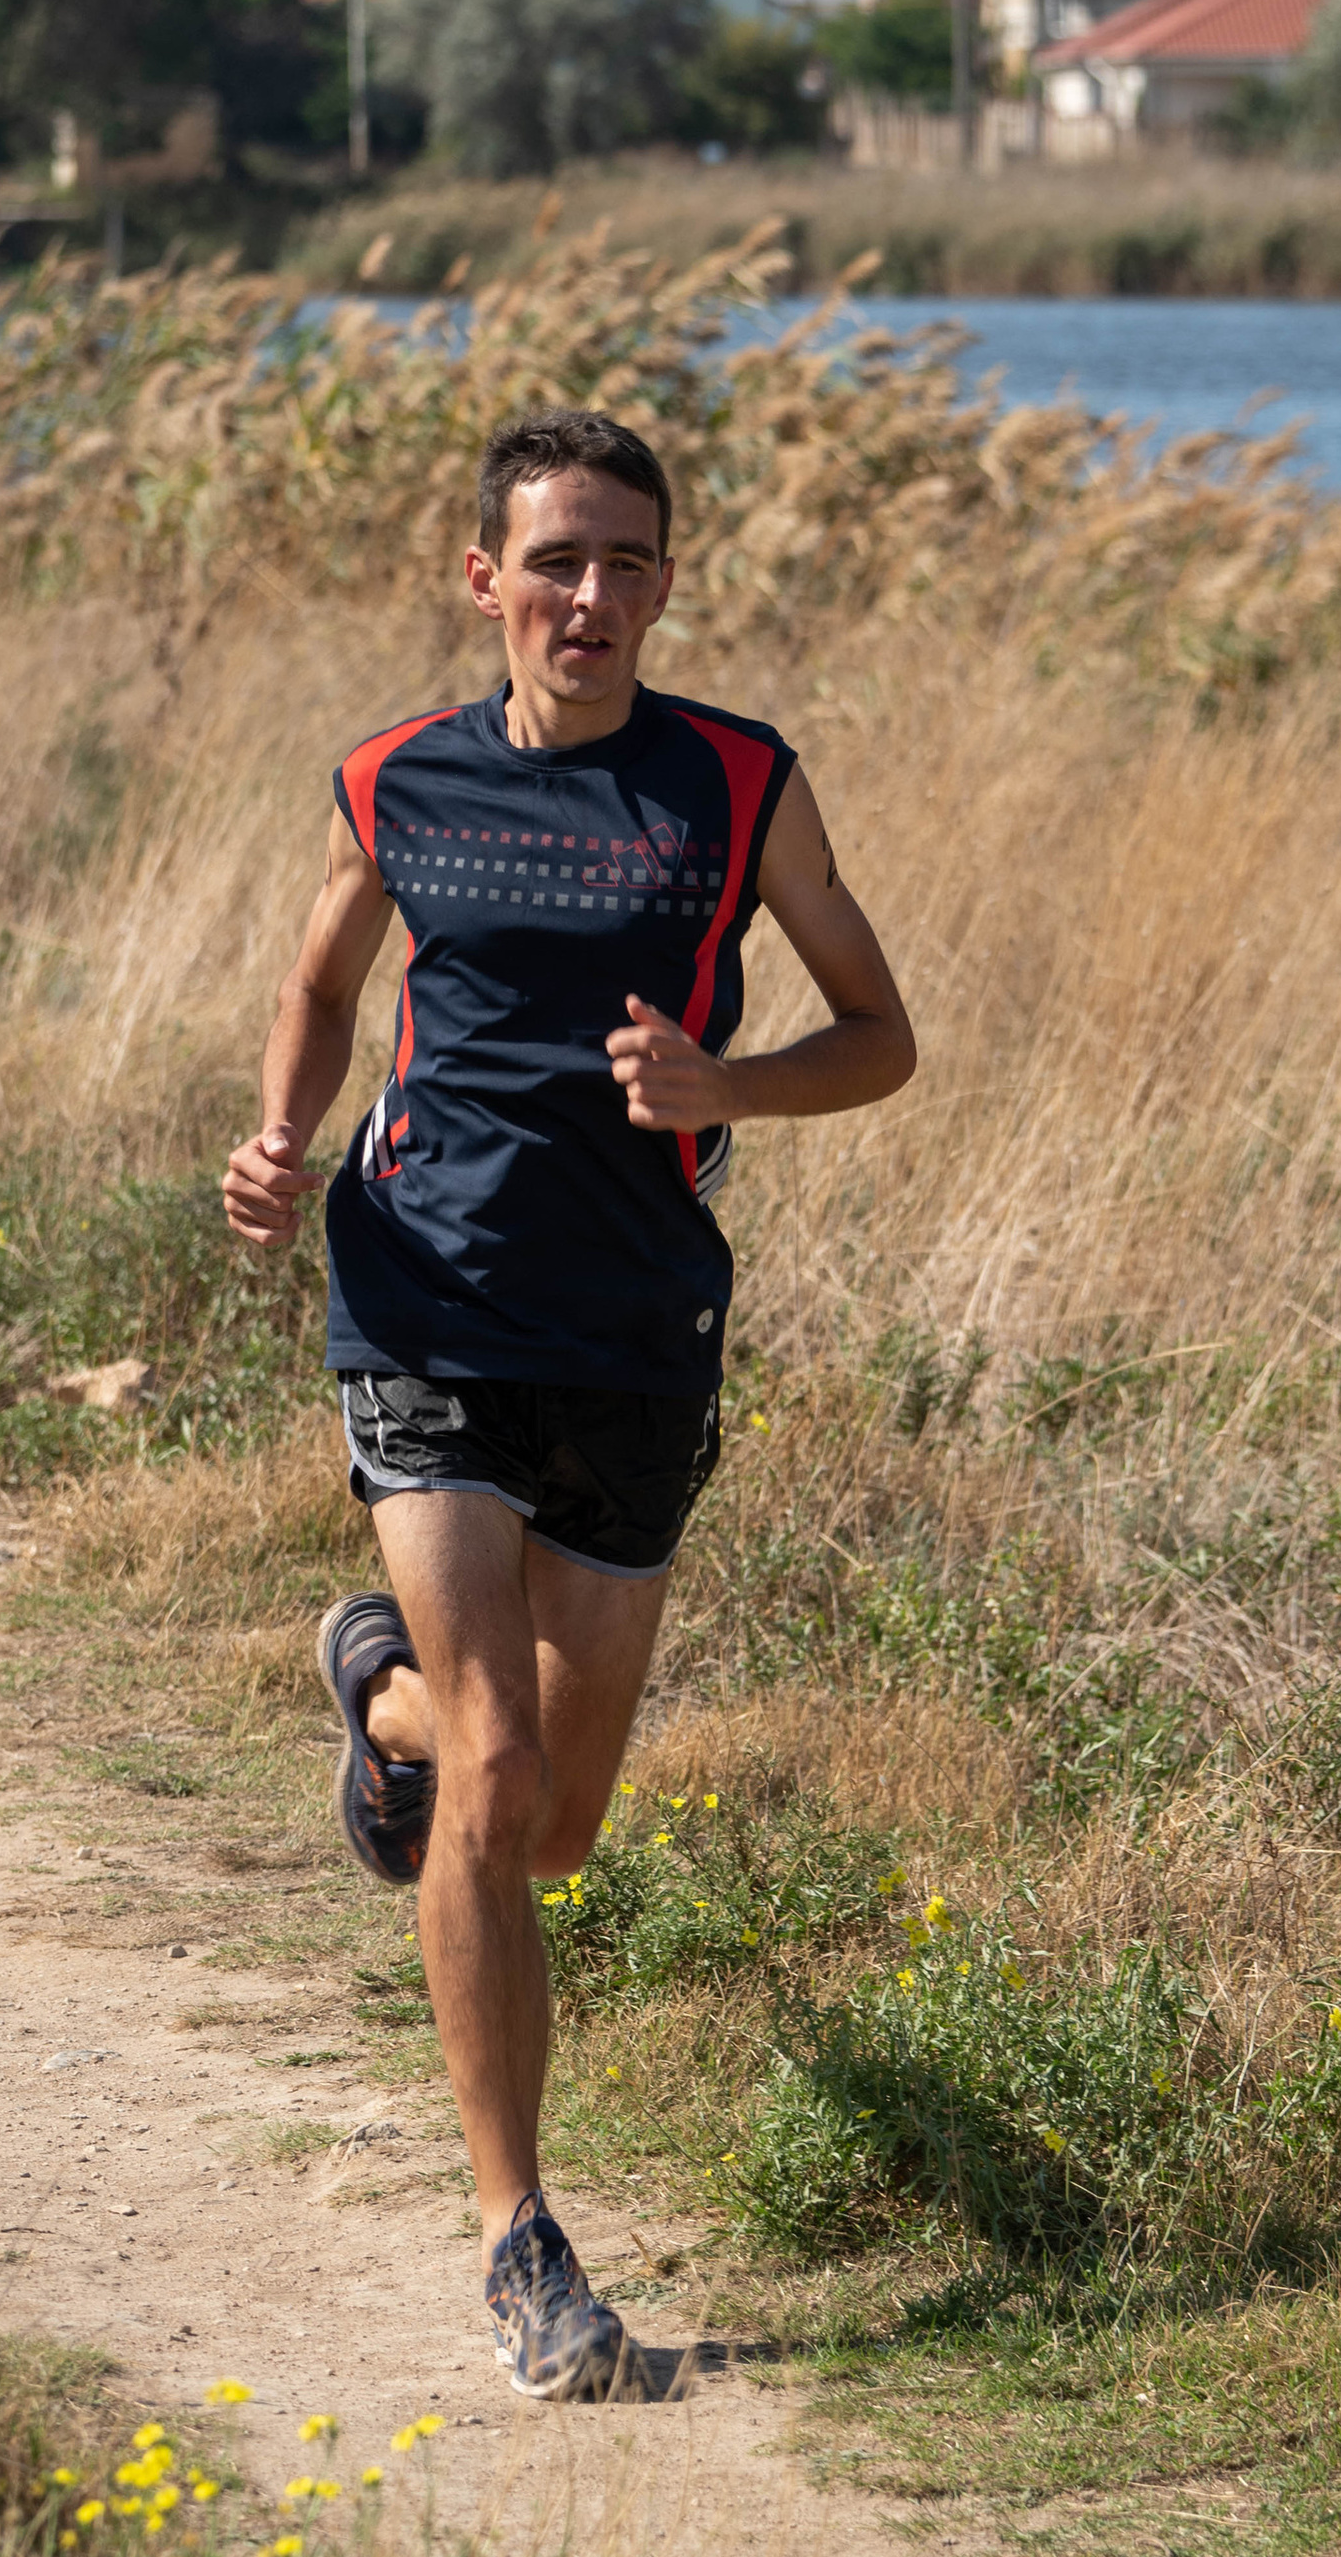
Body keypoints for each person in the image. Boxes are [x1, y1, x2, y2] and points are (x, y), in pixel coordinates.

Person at [222, 407, 914, 2399]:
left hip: (633, 1328)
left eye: (625, 561)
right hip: (422, 1292)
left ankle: (376, 1692)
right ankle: (522, 2241)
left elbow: (880, 1038)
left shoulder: (739, 784)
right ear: (483, 578)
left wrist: (729, 1091)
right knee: (506, 1774)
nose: (588, 596)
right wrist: (280, 1142)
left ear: (665, 582)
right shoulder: (395, 778)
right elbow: (321, 984)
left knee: (560, 1818)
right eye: (553, 560)